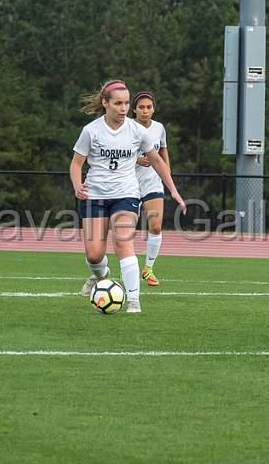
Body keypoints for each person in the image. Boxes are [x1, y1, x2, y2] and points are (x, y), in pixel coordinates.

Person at [71, 80, 186, 313]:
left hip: (126, 194)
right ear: (105, 103)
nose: (123, 108)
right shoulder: (91, 131)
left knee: (123, 241)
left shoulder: (137, 131)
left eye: (125, 103)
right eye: (118, 103)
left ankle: (134, 301)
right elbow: (76, 164)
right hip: (95, 195)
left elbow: (157, 161)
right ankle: (101, 276)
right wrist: (77, 185)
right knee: (94, 255)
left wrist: (173, 190)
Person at [132, 91, 169, 286]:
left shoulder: (159, 128)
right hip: (129, 183)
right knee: (126, 229)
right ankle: (128, 267)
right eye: (141, 107)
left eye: (149, 107)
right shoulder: (127, 127)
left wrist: (166, 172)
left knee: (155, 225)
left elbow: (163, 150)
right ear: (134, 110)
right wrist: (137, 159)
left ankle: (149, 268)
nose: (145, 111)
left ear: (153, 109)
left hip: (152, 182)